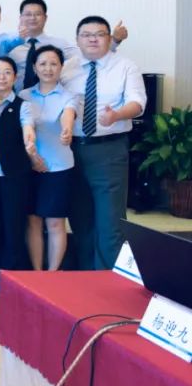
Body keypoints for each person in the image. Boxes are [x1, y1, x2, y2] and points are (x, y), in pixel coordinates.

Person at [64, 16, 145, 270]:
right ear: (77, 40)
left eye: (99, 34)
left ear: (109, 39)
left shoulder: (125, 66)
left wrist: (117, 115)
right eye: (86, 35)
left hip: (109, 149)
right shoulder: (67, 68)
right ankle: (86, 275)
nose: (93, 39)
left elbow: (138, 103)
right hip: (71, 150)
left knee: (110, 221)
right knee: (80, 218)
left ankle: (109, 278)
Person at [21, 46, 78, 272]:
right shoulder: (24, 96)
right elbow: (25, 126)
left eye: (54, 64)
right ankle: (37, 272)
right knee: (33, 220)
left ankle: (53, 274)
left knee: (55, 222)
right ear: (34, 67)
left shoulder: (68, 96)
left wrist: (67, 130)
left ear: (61, 67)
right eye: (43, 64)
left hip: (59, 168)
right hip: (30, 167)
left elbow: (68, 115)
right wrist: (32, 157)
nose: (48, 68)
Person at [0, 57, 36, 287]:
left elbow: (28, 126)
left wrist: (29, 138)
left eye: (7, 72)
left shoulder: (23, 105)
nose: (2, 77)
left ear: (15, 77)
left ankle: (12, 280)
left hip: (13, 174)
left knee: (13, 225)